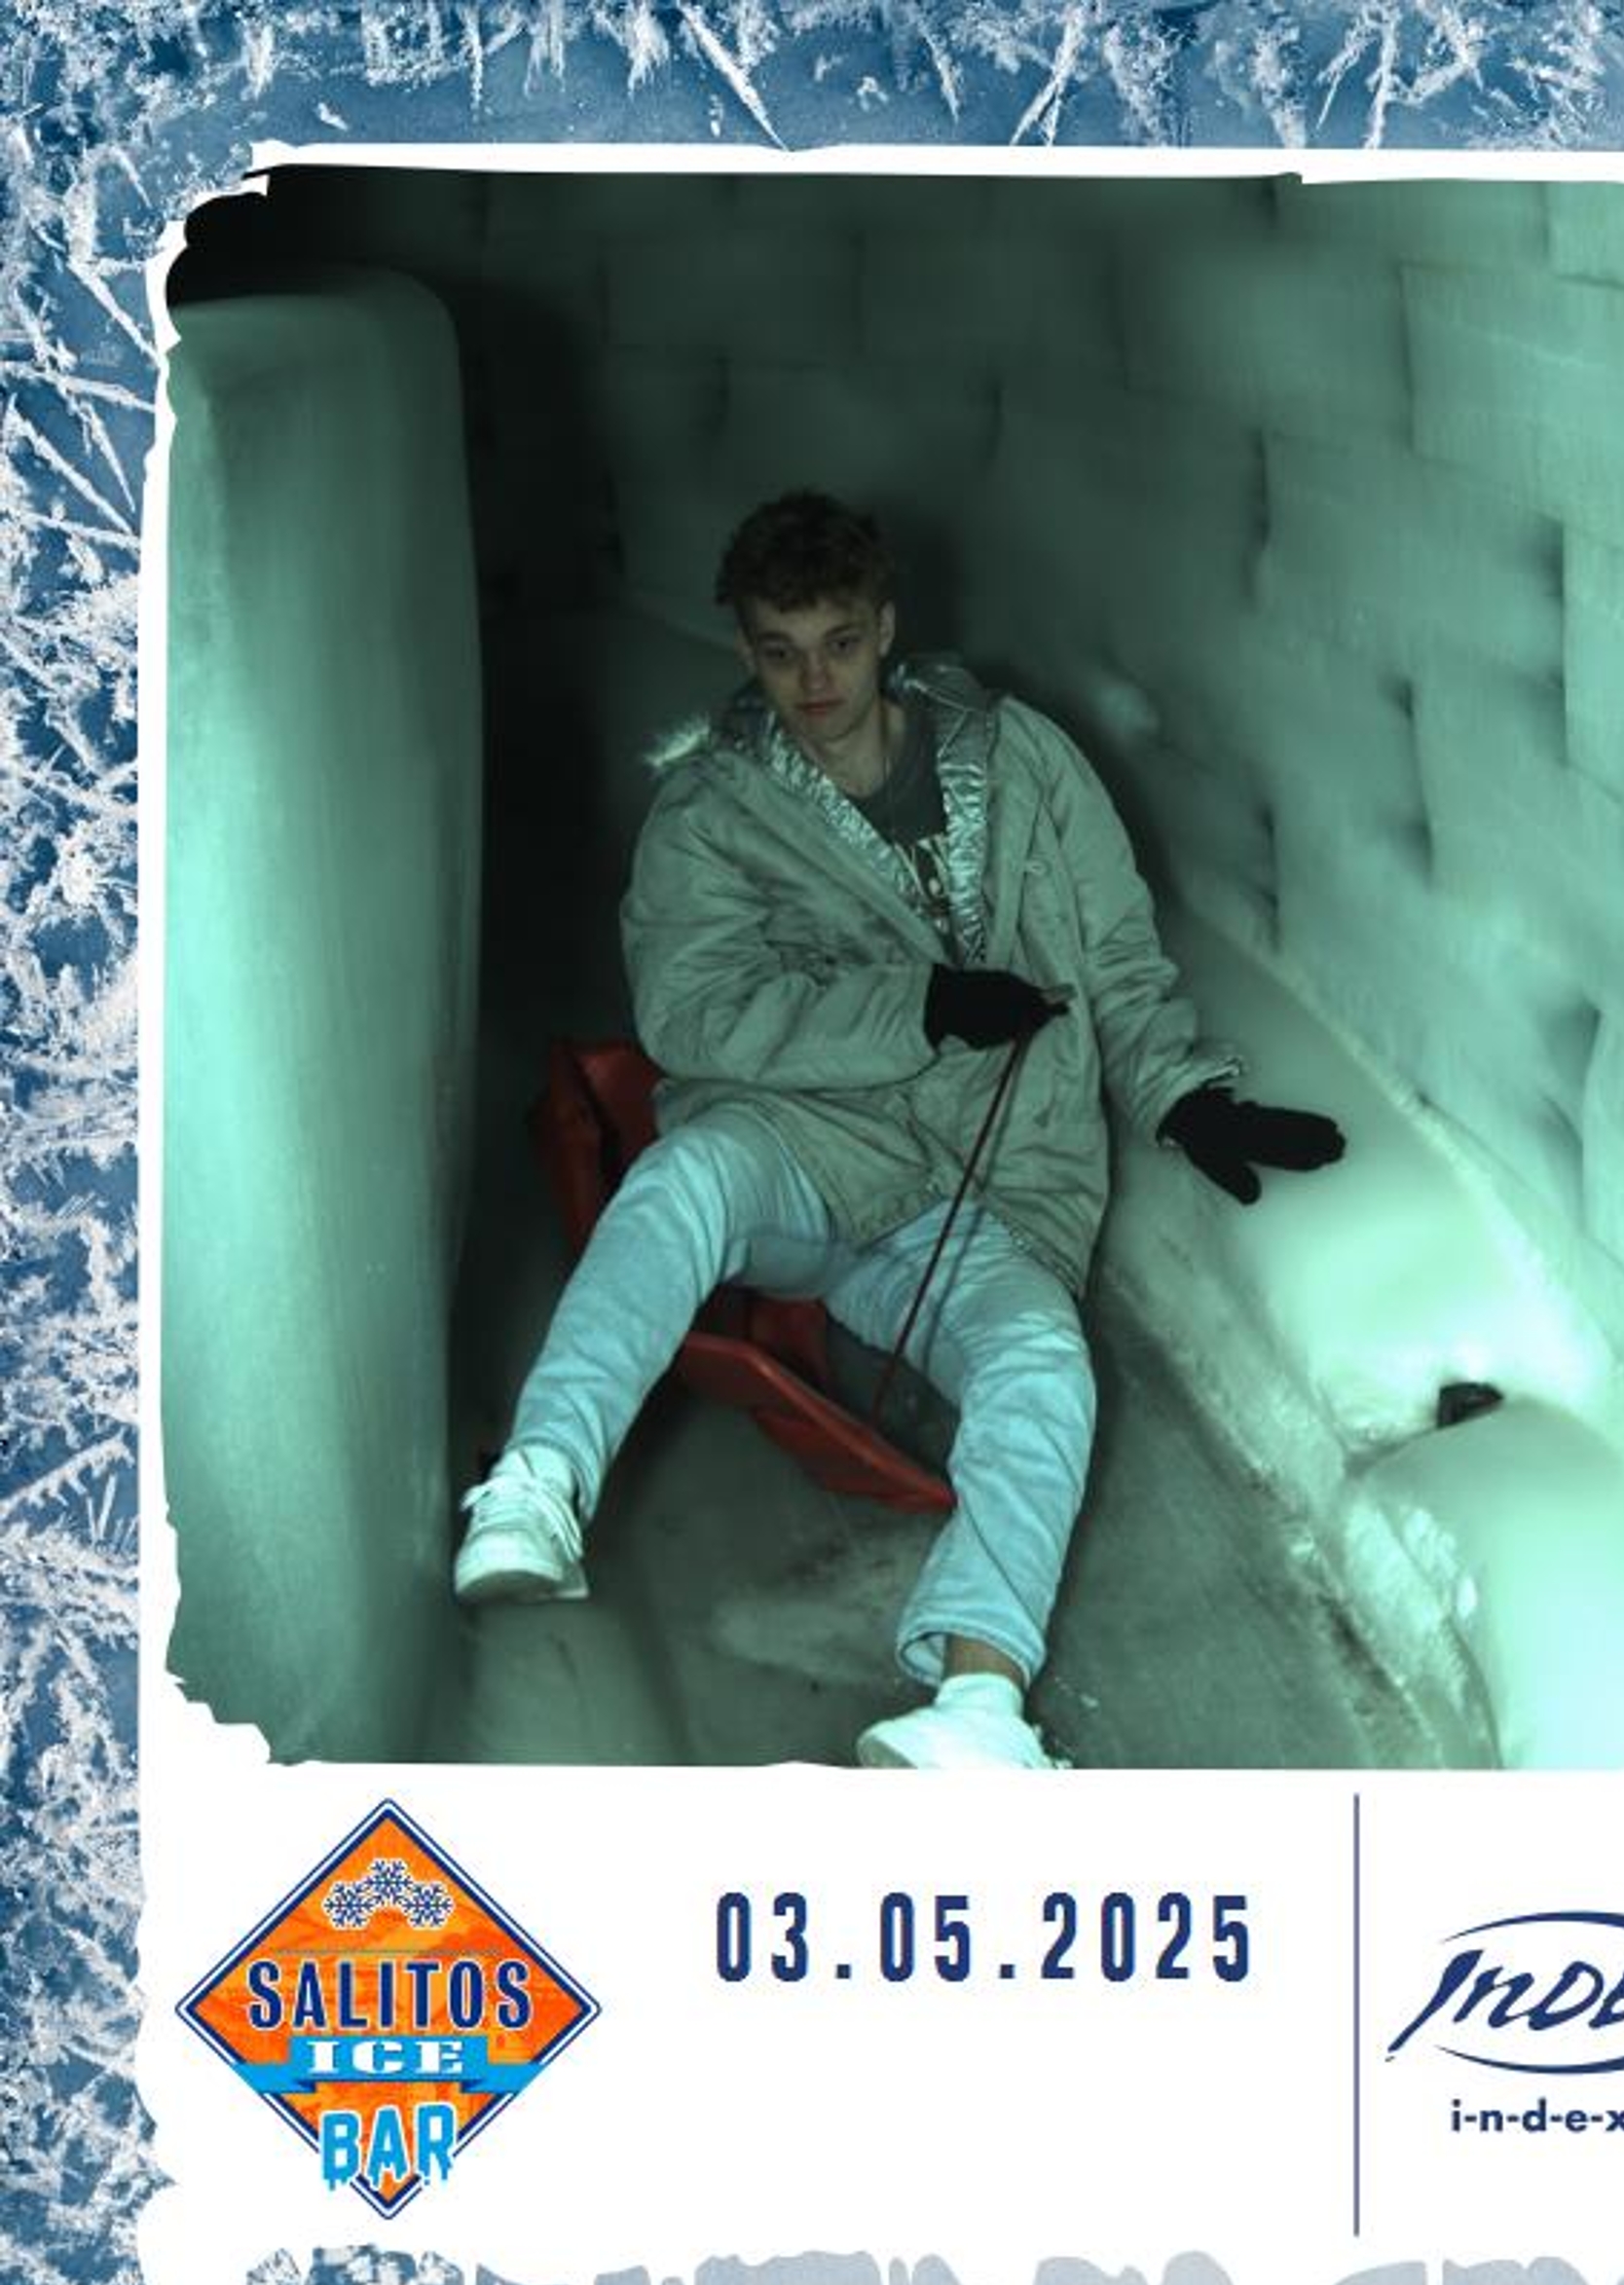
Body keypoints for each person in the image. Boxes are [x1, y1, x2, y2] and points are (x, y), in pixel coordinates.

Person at [454, 491, 1347, 1769]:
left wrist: (1183, 1097)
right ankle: (538, 1490)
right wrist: (917, 1007)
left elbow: (1116, 957)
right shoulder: (714, 811)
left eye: (837, 643)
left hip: (994, 1184)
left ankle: (976, 1710)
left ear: (884, 628)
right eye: (779, 651)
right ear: (746, 648)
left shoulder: (1026, 765)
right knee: (687, 1175)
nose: (813, 683)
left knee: (1042, 1360)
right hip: (808, 1147)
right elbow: (696, 1013)